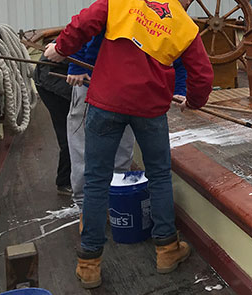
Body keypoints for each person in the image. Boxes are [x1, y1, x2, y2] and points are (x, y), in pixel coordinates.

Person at [44, 0, 214, 288]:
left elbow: (82, 23)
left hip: (105, 102)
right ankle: (166, 249)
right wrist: (194, 101)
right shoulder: (184, 25)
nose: (190, 1)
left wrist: (59, 50)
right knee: (159, 176)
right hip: (149, 110)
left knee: (96, 180)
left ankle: (89, 263)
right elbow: (203, 75)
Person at [64, 34, 189, 212]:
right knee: (85, 152)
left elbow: (176, 55)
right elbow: (84, 29)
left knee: (122, 150)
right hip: (92, 85)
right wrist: (76, 64)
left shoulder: (166, 16)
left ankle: (115, 200)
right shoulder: (115, 8)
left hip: (132, 92)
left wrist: (179, 89)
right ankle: (86, 208)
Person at [33, 59, 72, 195]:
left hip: (61, 74)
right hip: (51, 82)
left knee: (75, 131)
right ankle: (64, 181)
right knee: (69, 133)